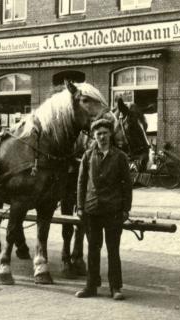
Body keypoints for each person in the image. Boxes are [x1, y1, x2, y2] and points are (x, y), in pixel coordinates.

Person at [75, 118, 132, 300]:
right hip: (92, 210)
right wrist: (80, 206)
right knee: (93, 249)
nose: (102, 137)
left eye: (105, 133)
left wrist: (125, 209)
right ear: (94, 136)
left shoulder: (120, 157)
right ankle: (91, 286)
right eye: (98, 134)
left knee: (113, 250)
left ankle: (115, 288)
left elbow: (127, 185)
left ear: (110, 135)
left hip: (113, 210)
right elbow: (81, 182)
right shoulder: (87, 156)